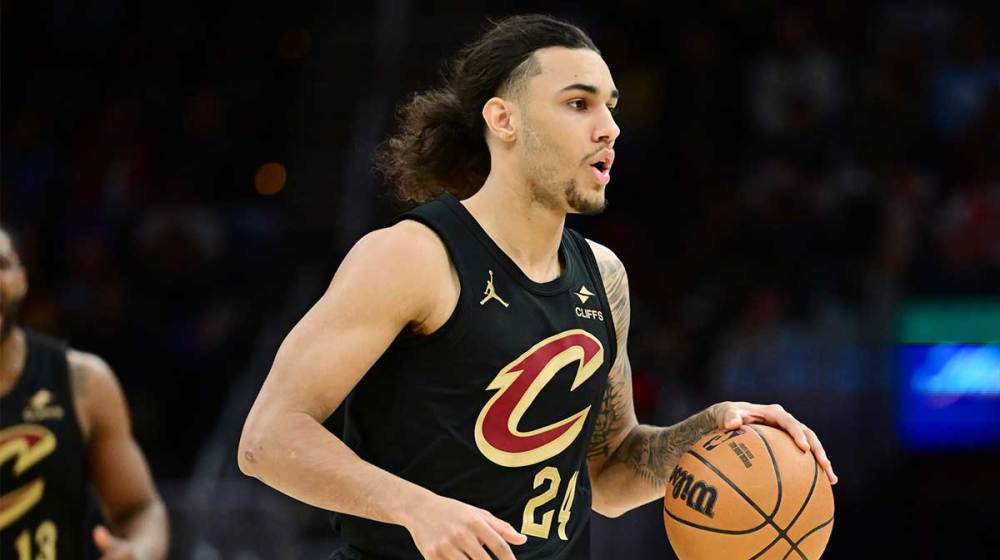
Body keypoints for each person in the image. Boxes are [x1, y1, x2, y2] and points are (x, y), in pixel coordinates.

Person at [238, 14, 837, 560]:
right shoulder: (413, 256)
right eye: (578, 104)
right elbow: (268, 438)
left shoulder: (603, 276)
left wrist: (705, 434)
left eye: (611, 106)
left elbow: (608, 474)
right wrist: (414, 507)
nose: (609, 128)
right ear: (504, 120)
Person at [0, 226, 169, 560]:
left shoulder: (83, 381)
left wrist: (138, 551)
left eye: (1, 265)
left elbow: (141, 509)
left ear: (23, 278)